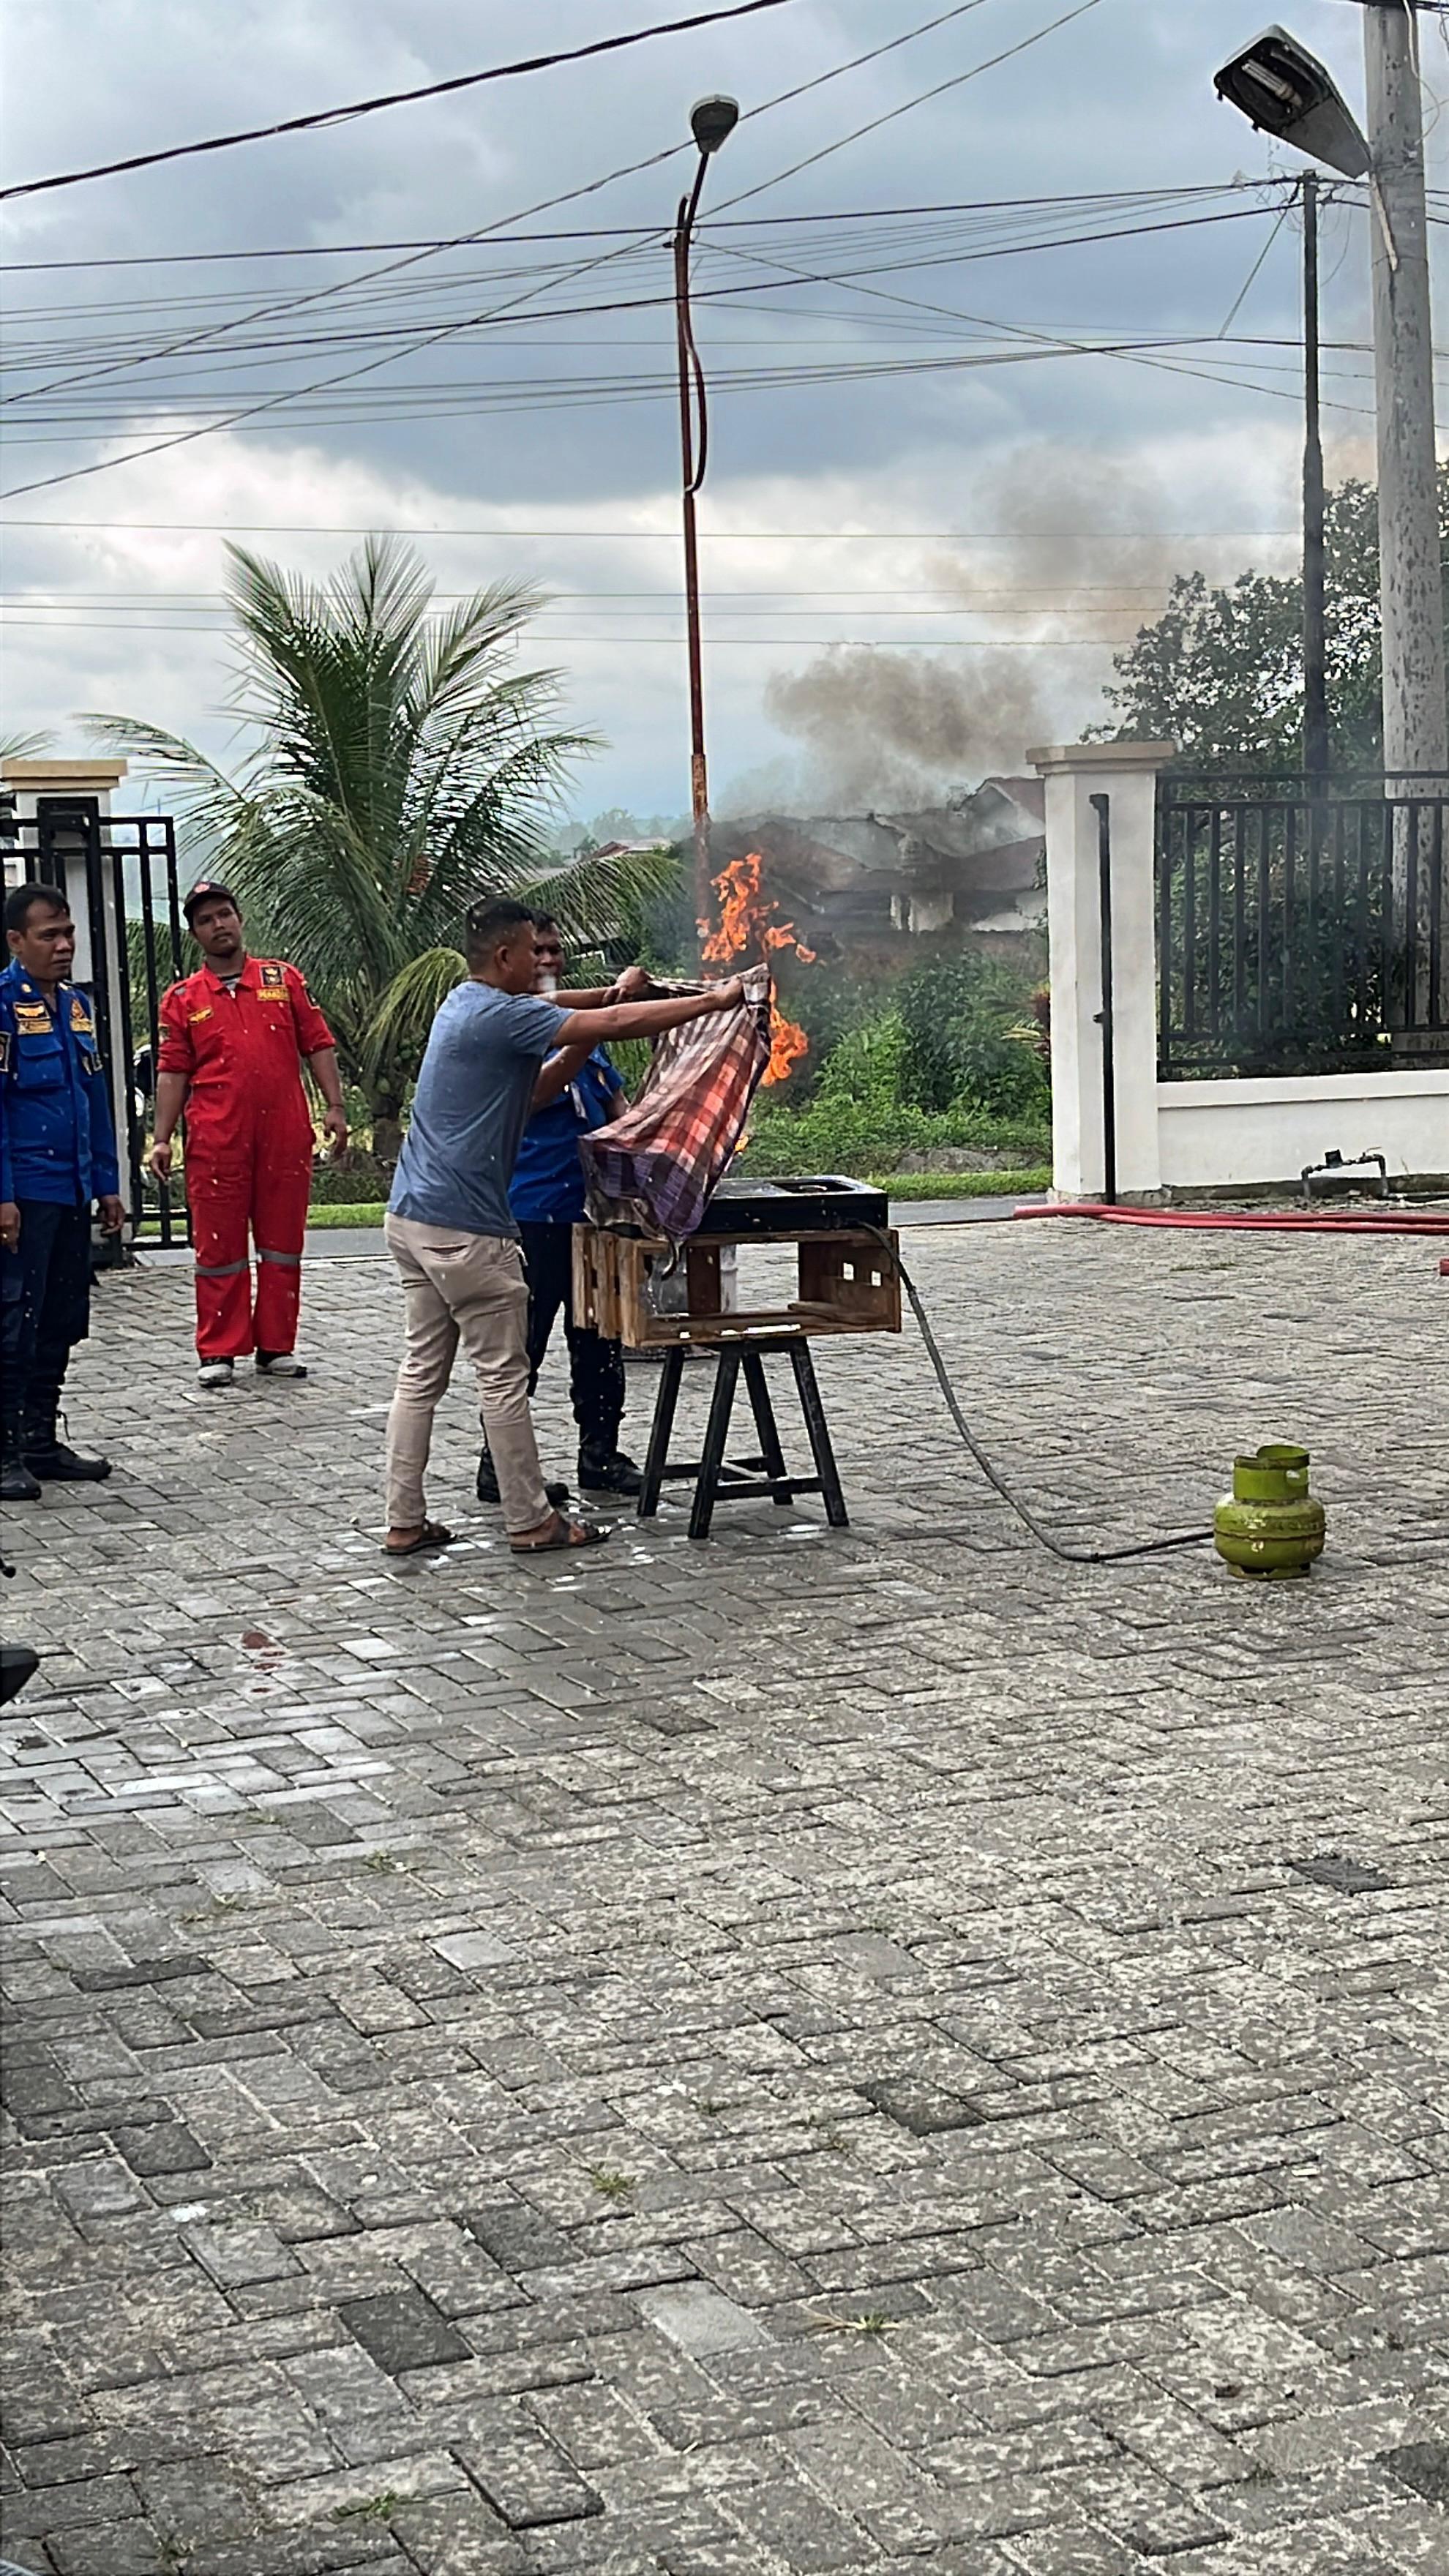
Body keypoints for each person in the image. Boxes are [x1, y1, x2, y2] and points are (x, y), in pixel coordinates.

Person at [383, 896, 742, 1560]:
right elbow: (608, 1022)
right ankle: (530, 1520)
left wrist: (613, 988)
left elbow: (581, 1009)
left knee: (421, 1373)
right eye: (531, 951)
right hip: (468, 1228)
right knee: (502, 1376)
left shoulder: (464, 1004)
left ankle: (404, 1520)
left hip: (411, 1215)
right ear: (504, 956)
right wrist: (709, 1004)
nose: (541, 963)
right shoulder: (503, 1014)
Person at [148, 883, 348, 1388]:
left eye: (225, 914)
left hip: (284, 1135)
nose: (220, 925)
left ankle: (277, 1345)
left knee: (283, 1245)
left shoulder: (284, 980)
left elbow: (318, 1044)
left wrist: (336, 1107)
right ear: (195, 934)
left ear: (240, 918)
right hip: (217, 1139)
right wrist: (163, 1136)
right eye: (207, 920)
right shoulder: (183, 999)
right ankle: (219, 1350)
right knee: (219, 1248)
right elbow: (172, 1072)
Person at [476, 914, 641, 1506]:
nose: (547, 961)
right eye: (536, 951)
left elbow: (620, 1112)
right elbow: (544, 1090)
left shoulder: (587, 1048)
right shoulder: (512, 1035)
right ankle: (499, 1464)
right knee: (524, 1345)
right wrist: (604, 1019)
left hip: (591, 1217)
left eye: (555, 952)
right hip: (534, 1215)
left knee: (599, 1341)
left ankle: (602, 1454)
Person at [0, 881, 124, 1501]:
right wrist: (3, 1195)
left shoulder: (75, 1007)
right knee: (13, 1323)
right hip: (26, 1192)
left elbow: (92, 1101)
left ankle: (41, 1442)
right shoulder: (1, 1006)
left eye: (68, 932)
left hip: (73, 1187)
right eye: (49, 935)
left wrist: (106, 1183)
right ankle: (5, 1452)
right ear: (16, 941)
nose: (64, 945)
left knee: (61, 1318)